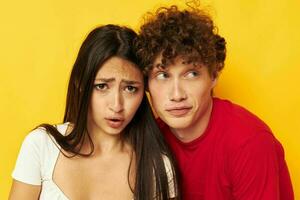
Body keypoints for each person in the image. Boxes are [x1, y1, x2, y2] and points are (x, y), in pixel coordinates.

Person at [134, 5, 294, 200]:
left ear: (214, 75)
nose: (177, 95)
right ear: (146, 83)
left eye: (191, 74)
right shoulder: (151, 138)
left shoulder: (248, 141)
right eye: (162, 75)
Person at [9, 25, 178, 200]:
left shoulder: (156, 166)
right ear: (81, 85)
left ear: (144, 92)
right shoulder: (42, 145)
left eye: (130, 88)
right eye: (102, 86)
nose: (116, 105)